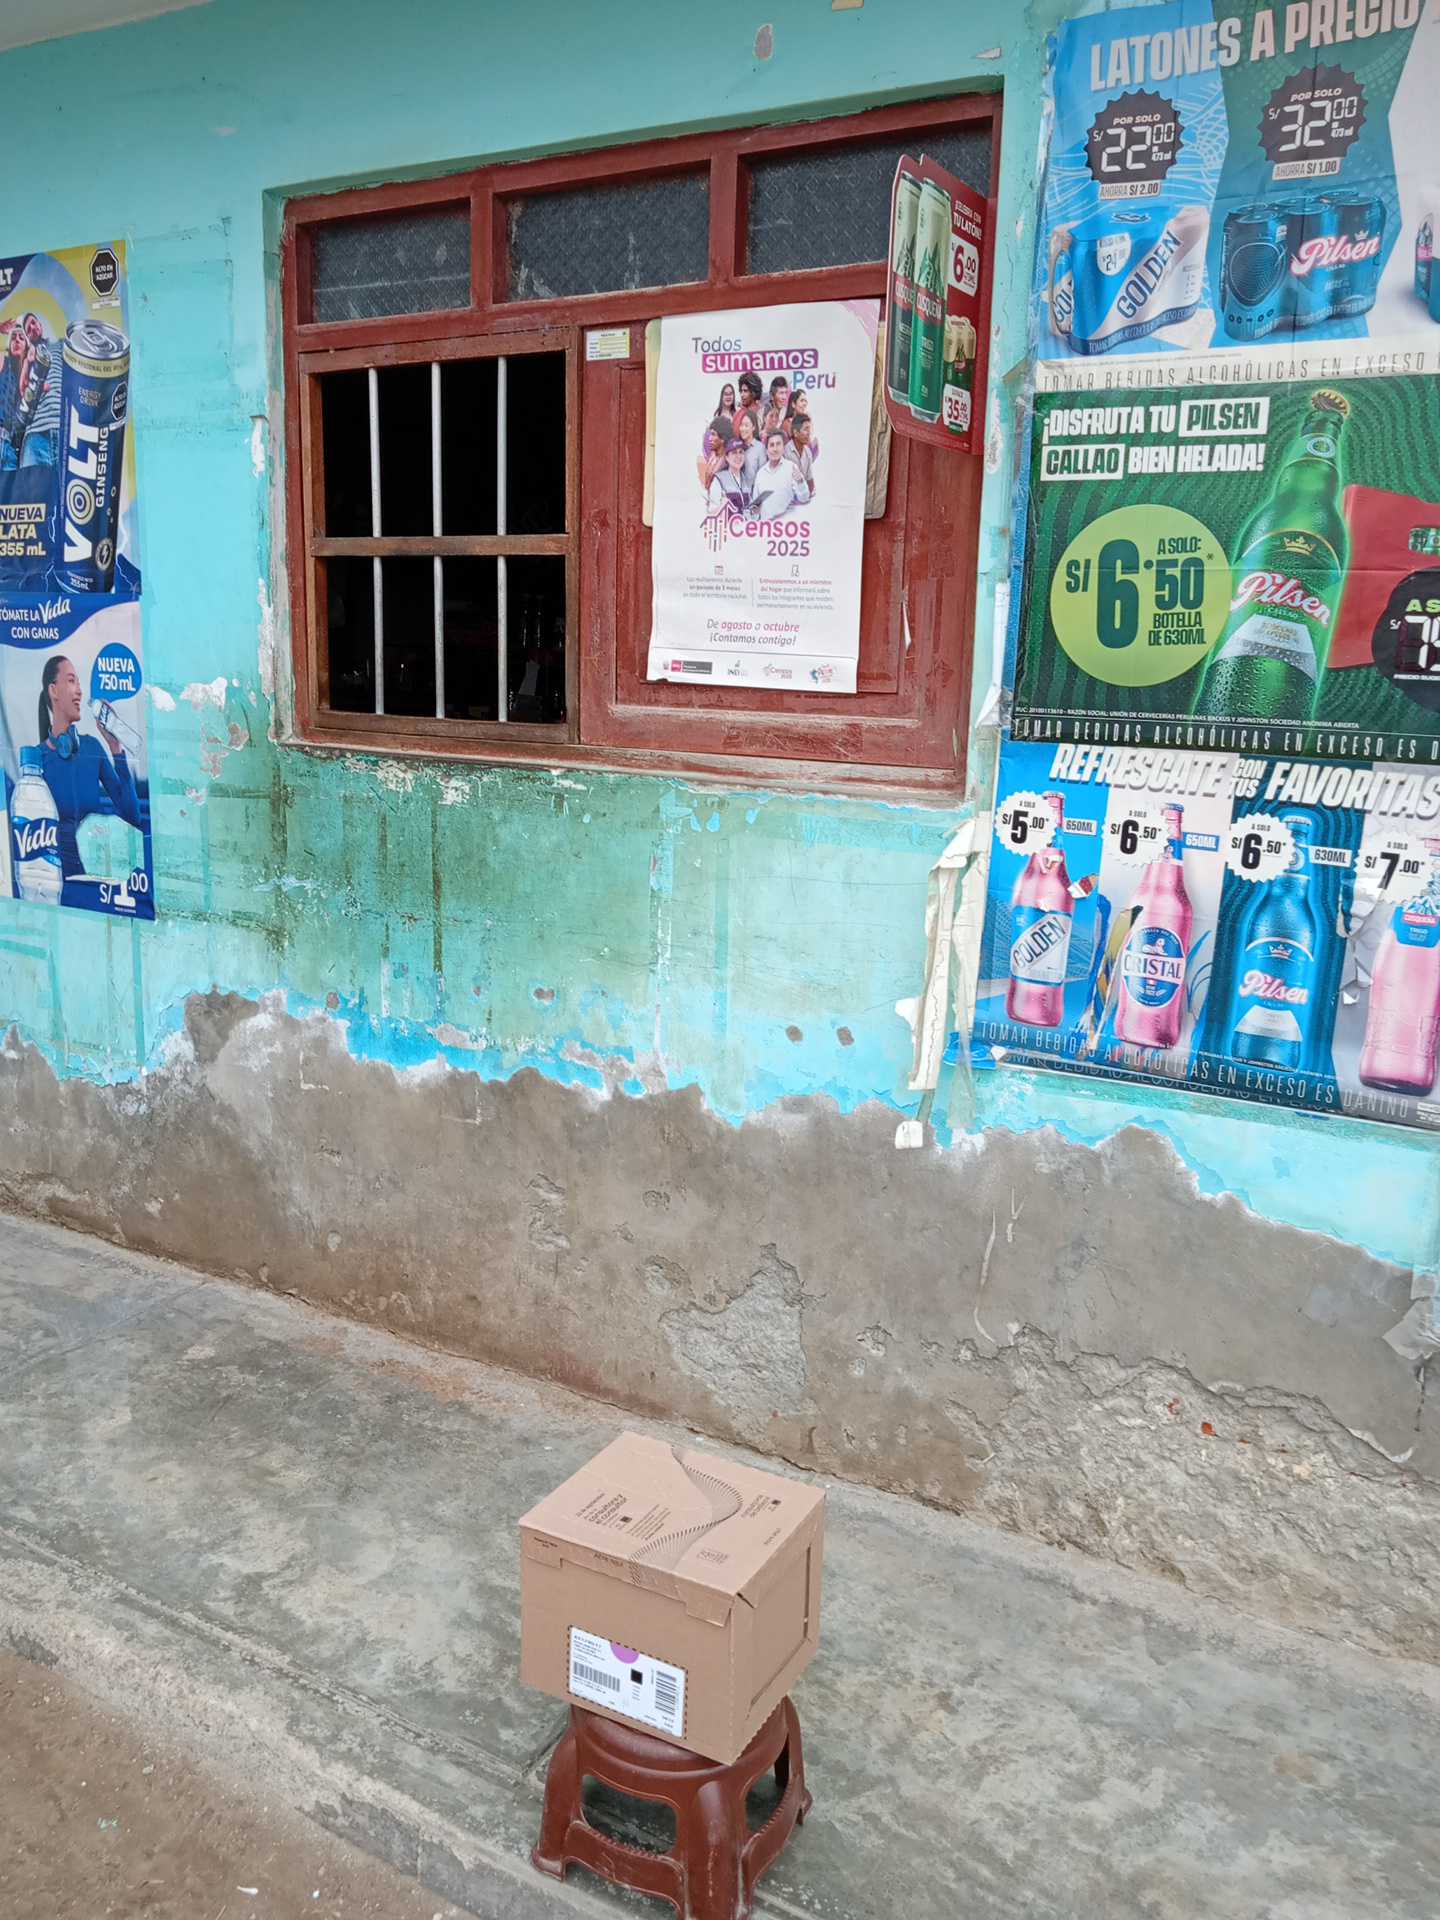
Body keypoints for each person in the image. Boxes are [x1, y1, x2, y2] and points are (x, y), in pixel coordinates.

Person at [34, 654, 143, 880]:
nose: (79, 691)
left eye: (79, 683)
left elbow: (132, 815)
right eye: (71, 681)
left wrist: (115, 747)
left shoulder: (92, 747)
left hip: (95, 877)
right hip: (56, 879)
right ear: (53, 690)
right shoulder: (37, 759)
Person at [17, 312, 60, 469]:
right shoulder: (27, 359)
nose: (33, 328)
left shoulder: (61, 345)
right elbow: (22, 392)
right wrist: (27, 363)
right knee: (32, 487)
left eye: (34, 323)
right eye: (28, 329)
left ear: (40, 325)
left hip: (66, 429)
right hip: (34, 437)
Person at [749, 429, 810, 519]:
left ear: (783, 448)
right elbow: (755, 511)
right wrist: (754, 512)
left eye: (778, 444)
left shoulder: (791, 468)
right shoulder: (760, 474)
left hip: (787, 524)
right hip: (766, 525)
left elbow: (804, 498)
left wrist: (800, 482)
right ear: (766, 450)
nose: (775, 449)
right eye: (771, 445)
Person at [0, 326, 29, 470]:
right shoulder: (3, 361)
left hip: (14, 450)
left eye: (21, 338)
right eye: (13, 337)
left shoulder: (31, 374)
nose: (16, 340)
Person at [705, 438, 751, 520]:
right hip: (728, 526)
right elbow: (711, 513)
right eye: (734, 453)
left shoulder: (745, 479)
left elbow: (748, 509)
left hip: (745, 526)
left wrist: (754, 511)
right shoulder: (719, 479)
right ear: (726, 457)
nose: (738, 456)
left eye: (741, 452)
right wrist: (722, 506)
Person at [787, 414, 818, 498]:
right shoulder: (785, 452)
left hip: (802, 496)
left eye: (809, 429)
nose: (809, 433)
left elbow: (809, 479)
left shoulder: (808, 452)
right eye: (806, 429)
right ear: (795, 433)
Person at [695, 420, 728, 495]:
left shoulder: (726, 461)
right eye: (710, 434)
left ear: (722, 439)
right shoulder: (713, 455)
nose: (710, 438)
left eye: (713, 435)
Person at [734, 408, 764, 486]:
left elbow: (763, 475)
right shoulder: (736, 446)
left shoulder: (760, 448)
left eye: (746, 425)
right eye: (741, 425)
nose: (743, 429)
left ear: (753, 427)